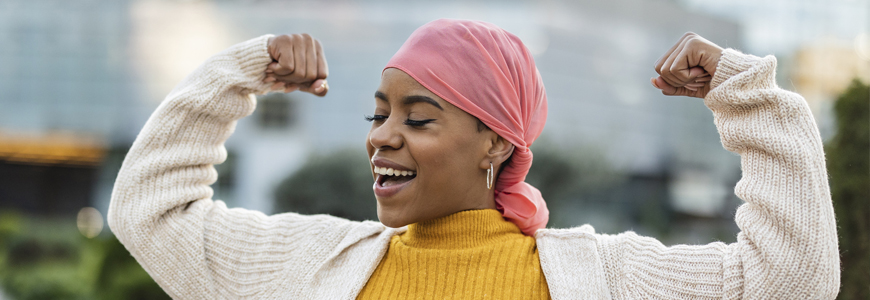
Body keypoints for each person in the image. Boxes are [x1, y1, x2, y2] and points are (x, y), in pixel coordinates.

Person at [108, 19, 840, 299]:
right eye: (379, 112)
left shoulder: (603, 280)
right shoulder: (307, 267)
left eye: (418, 117)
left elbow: (791, 280)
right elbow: (151, 213)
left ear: (497, 142)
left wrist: (749, 98)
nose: (381, 135)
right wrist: (240, 74)